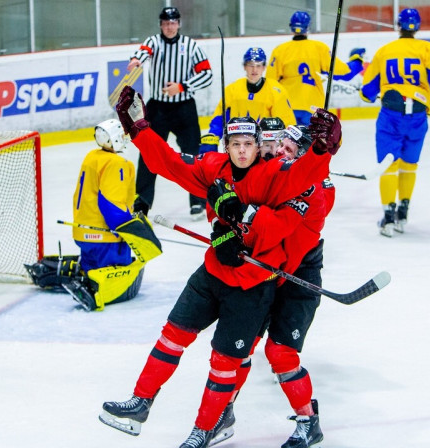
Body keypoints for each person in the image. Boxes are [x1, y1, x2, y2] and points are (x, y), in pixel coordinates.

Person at [99, 86, 342, 448]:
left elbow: (292, 206)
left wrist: (324, 149)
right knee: (175, 335)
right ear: (226, 146)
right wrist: (140, 128)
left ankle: (209, 428)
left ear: (259, 145)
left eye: (250, 143)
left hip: (267, 279)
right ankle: (144, 403)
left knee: (241, 358)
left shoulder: (292, 182)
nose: (243, 150)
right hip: (217, 273)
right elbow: (169, 163)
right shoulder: (216, 168)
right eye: (235, 144)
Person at [211, 124, 336, 448]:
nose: (280, 153)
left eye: (290, 152)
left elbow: (276, 231)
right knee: (241, 347)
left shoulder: (313, 192)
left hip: (297, 277)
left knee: (280, 352)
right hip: (269, 272)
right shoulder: (272, 173)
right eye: (280, 146)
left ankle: (308, 421)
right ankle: (223, 414)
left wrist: (245, 221)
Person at [24, 119, 162, 312]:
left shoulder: (93, 156)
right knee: (117, 273)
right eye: (122, 136)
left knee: (91, 268)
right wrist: (128, 229)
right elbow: (111, 204)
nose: (125, 139)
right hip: (106, 236)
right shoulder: (117, 163)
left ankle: (66, 275)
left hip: (83, 231)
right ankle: (90, 292)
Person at [359, 8, 430, 237]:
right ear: (417, 27)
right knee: (410, 164)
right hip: (417, 117)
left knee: (389, 166)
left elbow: (368, 91)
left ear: (398, 25)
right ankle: (403, 214)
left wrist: (366, 95)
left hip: (391, 116)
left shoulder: (385, 51)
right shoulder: (428, 49)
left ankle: (388, 218)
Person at [126, 6, 213, 220]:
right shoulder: (154, 41)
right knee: (148, 154)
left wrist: (182, 86)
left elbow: (207, 74)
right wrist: (136, 60)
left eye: (173, 23)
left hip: (184, 108)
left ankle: (197, 202)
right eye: (165, 23)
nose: (169, 27)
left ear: (179, 24)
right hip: (158, 108)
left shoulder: (191, 46)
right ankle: (143, 203)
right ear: (161, 25)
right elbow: (144, 52)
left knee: (192, 154)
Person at [269, 10, 366, 126]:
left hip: (287, 109)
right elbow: (345, 73)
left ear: (291, 27)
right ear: (308, 27)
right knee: (312, 144)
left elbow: (271, 85)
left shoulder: (279, 51)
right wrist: (357, 60)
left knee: (288, 144)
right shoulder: (319, 48)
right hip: (312, 109)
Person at [203, 47, 296, 144]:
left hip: (265, 144)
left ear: (264, 67)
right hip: (238, 142)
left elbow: (286, 122)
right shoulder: (233, 89)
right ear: (244, 66)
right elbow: (220, 117)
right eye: (251, 65)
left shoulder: (276, 91)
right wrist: (213, 136)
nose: (254, 70)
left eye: (258, 65)